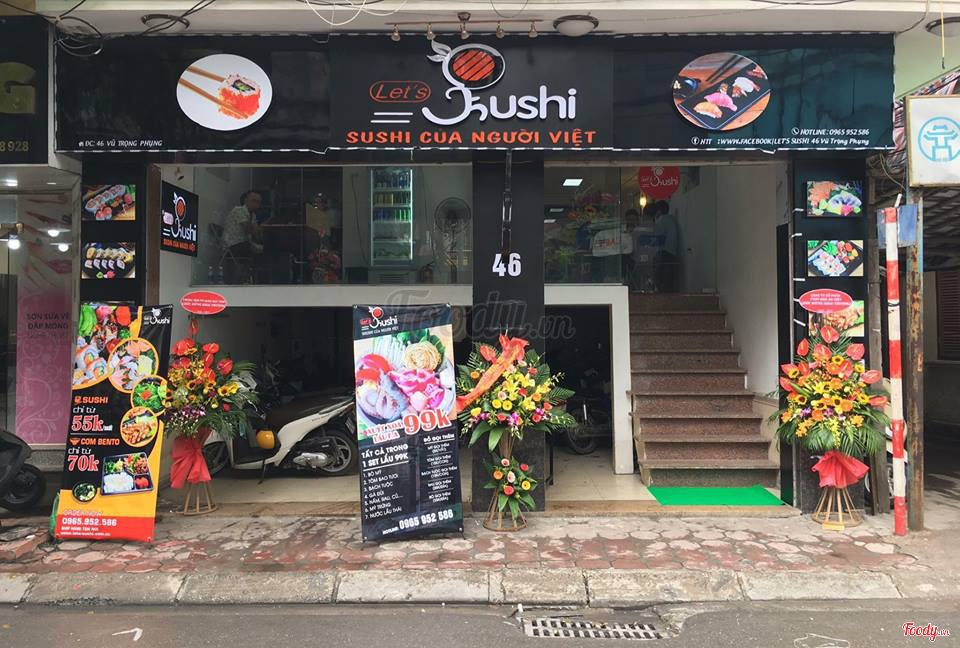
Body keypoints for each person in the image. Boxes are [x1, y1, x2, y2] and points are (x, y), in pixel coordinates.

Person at [222, 190, 264, 283]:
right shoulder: (239, 210)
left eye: (258, 202)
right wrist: (259, 228)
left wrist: (259, 231)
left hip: (245, 244)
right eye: (253, 201)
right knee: (257, 252)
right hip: (234, 246)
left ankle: (257, 279)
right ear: (246, 200)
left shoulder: (253, 216)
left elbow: (256, 235)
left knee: (265, 250)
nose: (256, 204)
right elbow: (248, 229)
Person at [653, 200, 679, 293]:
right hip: (673, 250)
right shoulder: (672, 219)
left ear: (659, 211)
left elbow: (656, 234)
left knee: (662, 276)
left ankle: (663, 294)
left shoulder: (662, 220)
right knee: (669, 276)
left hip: (665, 250)